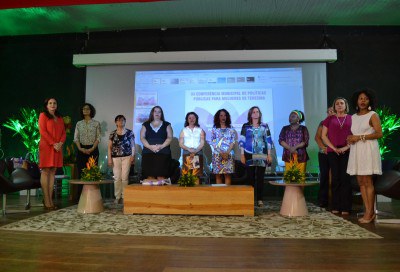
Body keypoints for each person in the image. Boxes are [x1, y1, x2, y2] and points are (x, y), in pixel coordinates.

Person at [347, 89, 382, 223]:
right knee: (360, 182)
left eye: (365, 99)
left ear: (369, 101)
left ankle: (370, 212)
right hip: (356, 150)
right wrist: (350, 138)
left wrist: (359, 137)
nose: (363, 101)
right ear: (356, 101)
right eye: (360, 98)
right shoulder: (353, 117)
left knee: (367, 181)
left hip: (368, 149)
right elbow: (355, 133)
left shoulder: (373, 115)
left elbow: (379, 134)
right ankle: (368, 210)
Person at [321, 98, 352, 215]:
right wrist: (334, 148)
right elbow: (323, 136)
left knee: (345, 178)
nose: (339, 105)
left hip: (347, 150)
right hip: (332, 151)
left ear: (346, 105)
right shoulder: (329, 119)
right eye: (337, 104)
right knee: (335, 178)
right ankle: (335, 205)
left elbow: (354, 135)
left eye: (341, 103)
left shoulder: (351, 118)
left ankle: (346, 207)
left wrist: (345, 148)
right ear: (334, 106)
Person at [239, 106, 273, 207]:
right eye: (253, 112)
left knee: (260, 177)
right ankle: (250, 198)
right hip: (248, 153)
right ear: (250, 114)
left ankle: (260, 199)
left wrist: (269, 154)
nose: (255, 113)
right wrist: (242, 155)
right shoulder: (246, 126)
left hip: (262, 154)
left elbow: (268, 140)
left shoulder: (264, 126)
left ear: (259, 114)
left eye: (257, 112)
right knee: (250, 177)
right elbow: (242, 140)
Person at [38, 98, 66, 210]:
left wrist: (60, 143)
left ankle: (50, 200)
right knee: (46, 171)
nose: (53, 105)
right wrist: (54, 143)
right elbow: (43, 132)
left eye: (54, 103)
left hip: (57, 148)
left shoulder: (59, 118)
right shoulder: (43, 115)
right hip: (47, 147)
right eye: (50, 103)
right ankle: (46, 200)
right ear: (46, 105)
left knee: (53, 172)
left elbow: (64, 133)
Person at [73, 103, 101, 200]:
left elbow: (98, 137)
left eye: (88, 109)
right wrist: (80, 148)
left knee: (92, 173)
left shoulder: (96, 123)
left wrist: (92, 148)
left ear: (91, 111)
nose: (85, 110)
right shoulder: (78, 123)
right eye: (84, 109)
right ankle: (81, 197)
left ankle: (93, 197)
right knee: (81, 173)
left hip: (93, 150)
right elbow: (76, 138)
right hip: (81, 149)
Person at [107, 115, 135, 204]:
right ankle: (117, 197)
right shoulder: (112, 133)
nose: (120, 122)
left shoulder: (130, 132)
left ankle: (124, 196)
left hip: (127, 157)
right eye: (118, 120)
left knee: (125, 178)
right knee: (117, 178)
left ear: (125, 121)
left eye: (122, 120)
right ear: (116, 122)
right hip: (115, 158)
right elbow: (109, 147)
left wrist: (132, 156)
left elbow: (133, 146)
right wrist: (109, 159)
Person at [140, 106, 173, 180]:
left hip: (163, 153)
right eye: (155, 111)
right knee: (150, 177)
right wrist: (150, 146)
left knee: (161, 177)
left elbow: (169, 138)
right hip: (148, 153)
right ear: (152, 113)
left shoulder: (167, 124)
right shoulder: (145, 124)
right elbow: (142, 137)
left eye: (159, 111)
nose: (157, 113)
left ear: (161, 114)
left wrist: (161, 146)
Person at [315, 106, 335, 208]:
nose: (330, 112)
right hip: (324, 153)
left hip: (337, 153)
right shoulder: (323, 122)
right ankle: (323, 200)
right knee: (324, 176)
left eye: (332, 111)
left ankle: (336, 200)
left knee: (337, 177)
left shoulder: (341, 122)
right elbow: (317, 137)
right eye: (329, 111)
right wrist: (323, 148)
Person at [211, 109, 236, 185]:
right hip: (217, 154)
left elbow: (233, 141)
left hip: (229, 154)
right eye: (221, 115)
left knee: (227, 175)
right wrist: (221, 153)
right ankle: (219, 195)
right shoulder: (214, 128)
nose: (223, 117)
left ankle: (227, 195)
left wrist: (227, 152)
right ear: (218, 117)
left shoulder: (231, 128)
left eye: (225, 115)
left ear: (227, 117)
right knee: (218, 175)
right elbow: (213, 142)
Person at [179, 112, 205, 180]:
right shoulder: (184, 130)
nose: (191, 119)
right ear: (187, 120)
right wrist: (188, 149)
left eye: (193, 118)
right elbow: (180, 143)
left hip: (197, 153)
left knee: (196, 175)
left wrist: (195, 151)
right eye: (189, 118)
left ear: (196, 119)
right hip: (187, 153)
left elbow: (202, 143)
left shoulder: (200, 130)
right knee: (187, 175)